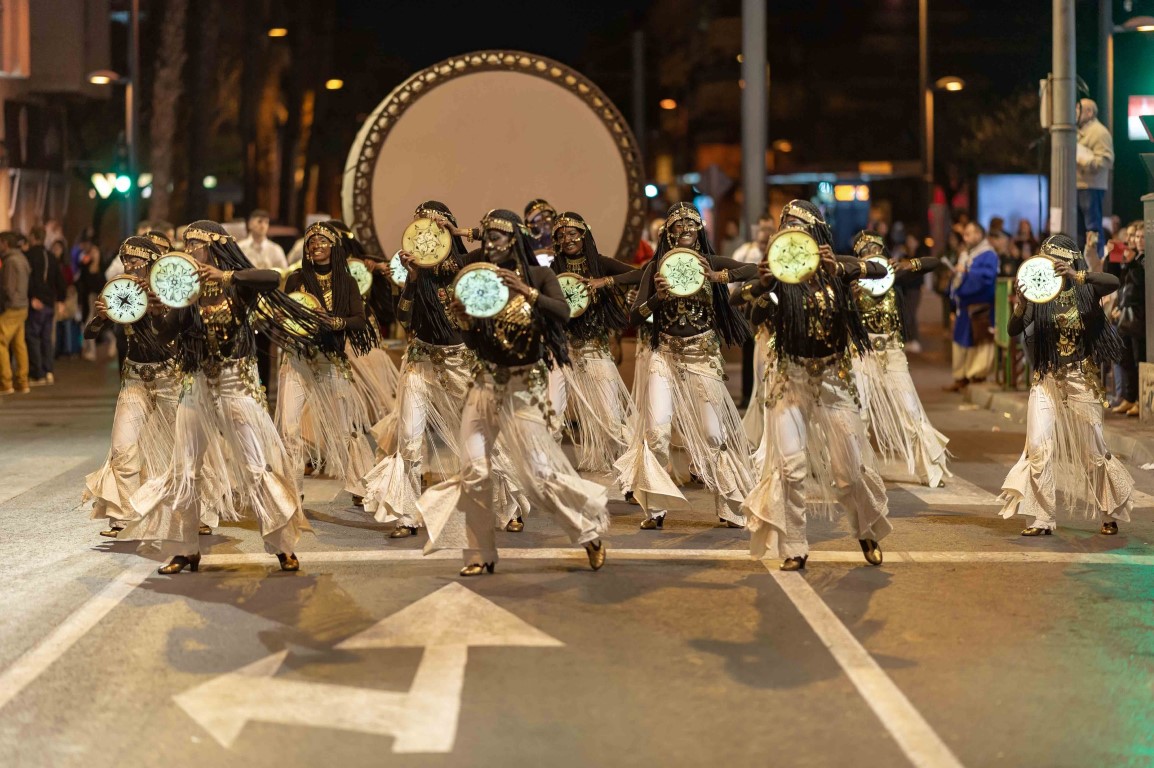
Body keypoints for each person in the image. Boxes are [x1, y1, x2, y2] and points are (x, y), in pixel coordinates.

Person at [119, 220, 321, 575]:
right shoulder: (187, 291)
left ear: (214, 247)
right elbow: (166, 334)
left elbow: (271, 278)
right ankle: (185, 550)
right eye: (185, 244)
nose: (188, 250)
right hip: (196, 384)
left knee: (255, 467)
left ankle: (282, 547)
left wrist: (225, 276)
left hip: (234, 385)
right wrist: (155, 310)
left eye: (194, 244)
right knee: (184, 469)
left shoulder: (237, 286)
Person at [419, 208, 609, 576]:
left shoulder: (540, 276)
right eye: (487, 238)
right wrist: (465, 321)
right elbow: (477, 344)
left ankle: (588, 531)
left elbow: (563, 313)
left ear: (514, 239)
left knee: (539, 478)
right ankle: (479, 554)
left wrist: (527, 292)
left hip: (524, 389)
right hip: (485, 385)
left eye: (497, 237)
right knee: (473, 471)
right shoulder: (481, 280)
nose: (490, 245)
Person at [733, 201, 892, 570]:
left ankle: (865, 528)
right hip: (789, 380)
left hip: (834, 380)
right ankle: (794, 547)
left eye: (800, 223)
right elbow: (740, 301)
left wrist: (842, 268)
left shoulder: (833, 268)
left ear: (816, 231)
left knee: (848, 473)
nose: (793, 228)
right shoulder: (776, 272)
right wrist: (763, 285)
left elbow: (880, 268)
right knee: (790, 468)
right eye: (786, 223)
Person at [615, 202, 758, 530]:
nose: (684, 230)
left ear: (699, 231)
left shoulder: (709, 262)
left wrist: (720, 277)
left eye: (691, 225)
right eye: (678, 225)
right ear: (668, 232)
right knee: (656, 433)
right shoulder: (655, 268)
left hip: (702, 356)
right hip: (664, 356)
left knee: (712, 435)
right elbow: (633, 317)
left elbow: (753, 270)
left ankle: (729, 507)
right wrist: (657, 299)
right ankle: (654, 509)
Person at [363, 201, 481, 538]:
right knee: (410, 439)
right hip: (420, 362)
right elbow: (404, 319)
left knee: (478, 439)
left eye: (434, 226)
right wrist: (413, 280)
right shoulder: (413, 272)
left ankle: (505, 507)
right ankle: (407, 516)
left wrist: (460, 231)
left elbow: (509, 238)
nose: (426, 233)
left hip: (461, 362)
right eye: (419, 227)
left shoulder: (469, 266)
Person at [1000, 234, 1132, 535]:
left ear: (1068, 262)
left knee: (1094, 453)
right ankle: (1042, 519)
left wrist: (1077, 275)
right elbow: (1013, 330)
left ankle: (1109, 512)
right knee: (1037, 448)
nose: (1049, 266)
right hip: (1046, 379)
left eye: (1055, 261)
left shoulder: (1085, 289)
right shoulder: (1040, 294)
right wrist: (1021, 304)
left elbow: (1113, 281)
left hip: (1080, 379)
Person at [82, 237, 186, 538]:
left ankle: (193, 512)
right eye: (126, 259)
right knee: (122, 446)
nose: (129, 264)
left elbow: (178, 332)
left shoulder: (169, 287)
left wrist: (159, 309)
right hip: (134, 379)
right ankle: (124, 515)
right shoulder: (119, 287)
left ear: (151, 261)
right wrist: (101, 317)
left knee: (179, 448)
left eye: (135, 259)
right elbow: (90, 333)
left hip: (169, 378)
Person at [276, 221, 375, 505]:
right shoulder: (296, 279)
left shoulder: (347, 282)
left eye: (322, 240)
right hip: (298, 360)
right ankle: (294, 490)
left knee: (345, 430)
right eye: (311, 241)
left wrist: (334, 322)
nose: (316, 245)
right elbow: (288, 314)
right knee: (289, 429)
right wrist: (284, 320)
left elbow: (359, 320)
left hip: (331, 360)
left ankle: (358, 486)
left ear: (333, 246)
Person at [850, 230, 950, 487]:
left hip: (892, 352)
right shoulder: (851, 280)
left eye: (875, 249)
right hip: (862, 353)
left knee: (910, 412)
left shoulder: (895, 274)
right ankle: (855, 472)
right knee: (858, 413)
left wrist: (907, 264)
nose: (871, 254)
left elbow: (934, 263)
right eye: (864, 251)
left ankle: (930, 471)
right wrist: (848, 291)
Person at [548, 211, 641, 474]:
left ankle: (628, 472)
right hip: (562, 352)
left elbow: (640, 275)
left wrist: (606, 281)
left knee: (611, 420)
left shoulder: (600, 263)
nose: (567, 239)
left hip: (594, 349)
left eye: (572, 233)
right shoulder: (553, 269)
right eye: (561, 235)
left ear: (584, 234)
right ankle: (548, 474)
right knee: (551, 418)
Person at [236, 210, 288, 390]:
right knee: (244, 347)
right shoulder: (241, 248)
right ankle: (245, 387)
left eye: (266, 222)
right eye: (259, 221)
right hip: (245, 304)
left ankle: (263, 389)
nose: (263, 225)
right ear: (250, 224)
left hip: (267, 306)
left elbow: (283, 277)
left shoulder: (275, 250)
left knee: (265, 350)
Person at [945, 221, 998, 391]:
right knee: (961, 341)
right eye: (964, 234)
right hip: (964, 306)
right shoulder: (968, 254)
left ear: (979, 234)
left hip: (980, 307)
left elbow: (987, 278)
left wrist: (967, 271)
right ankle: (961, 376)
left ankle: (976, 375)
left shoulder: (988, 254)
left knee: (980, 341)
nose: (965, 237)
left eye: (969, 234)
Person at [732, 218, 775, 408]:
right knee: (749, 352)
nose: (764, 245)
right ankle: (747, 394)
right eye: (762, 242)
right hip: (749, 305)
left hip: (772, 309)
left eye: (768, 242)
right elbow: (734, 279)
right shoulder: (744, 252)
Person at [25, 225, 65, 386]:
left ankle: (37, 373)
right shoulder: (51, 256)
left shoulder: (29, 255)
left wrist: (32, 296)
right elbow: (60, 279)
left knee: (33, 337)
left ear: (33, 237)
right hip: (50, 302)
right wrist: (61, 299)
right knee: (46, 338)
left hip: (37, 302)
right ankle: (48, 371)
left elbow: (29, 279)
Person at [1112, 224, 1145, 417]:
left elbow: (1141, 283)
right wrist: (1115, 258)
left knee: (1138, 359)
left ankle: (1139, 400)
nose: (1137, 240)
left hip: (1139, 317)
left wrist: (1131, 262)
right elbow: (1120, 282)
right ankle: (1129, 397)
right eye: (1135, 236)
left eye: (1141, 236)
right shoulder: (1136, 259)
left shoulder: (1144, 260)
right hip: (1126, 315)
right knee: (1126, 359)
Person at [1076, 98, 1114, 264]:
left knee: (1092, 227)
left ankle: (1095, 264)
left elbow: (1106, 161)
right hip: (1078, 186)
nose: (1075, 113)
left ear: (1089, 112)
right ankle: (1080, 265)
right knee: (1078, 230)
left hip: (1091, 186)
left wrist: (1084, 158)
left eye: (1078, 109)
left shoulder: (1100, 132)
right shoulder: (1077, 132)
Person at [0, 231, 31, 394]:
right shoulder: (22, 258)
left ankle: (5, 382)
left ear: (5, 243)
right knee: (19, 344)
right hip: (22, 305)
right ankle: (22, 381)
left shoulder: (10, 261)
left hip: (13, 306)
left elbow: (8, 287)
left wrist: (7, 302)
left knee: (1, 341)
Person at [524, 199, 557, 263]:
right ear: (532, 226)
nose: (544, 221)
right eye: (538, 220)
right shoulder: (529, 250)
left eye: (547, 216)